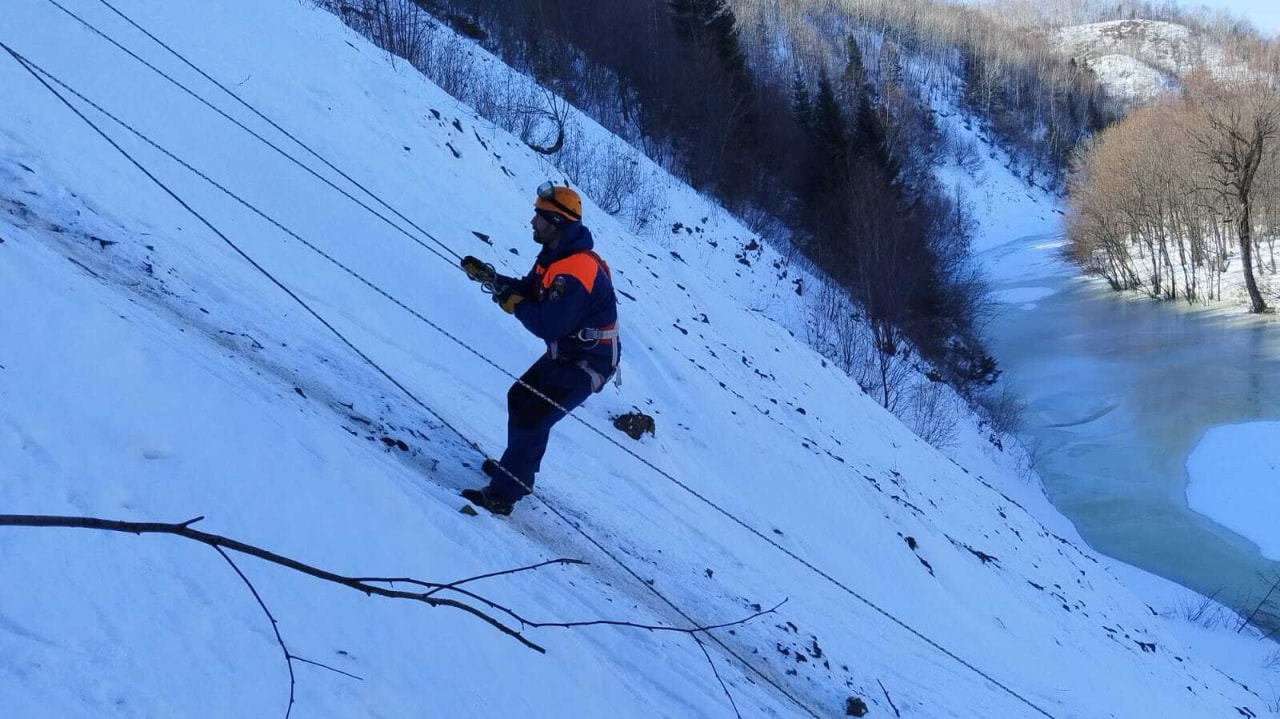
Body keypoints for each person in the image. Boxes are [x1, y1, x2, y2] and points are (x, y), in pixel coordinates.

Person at [458, 182, 620, 515]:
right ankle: (515, 473)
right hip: (568, 351)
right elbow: (530, 290)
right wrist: (493, 278)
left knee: (534, 416)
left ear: (558, 223)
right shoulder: (555, 256)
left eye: (540, 216)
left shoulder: (576, 271)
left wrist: (513, 305)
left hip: (589, 361)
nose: (533, 222)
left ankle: (503, 495)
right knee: (521, 398)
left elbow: (549, 324)